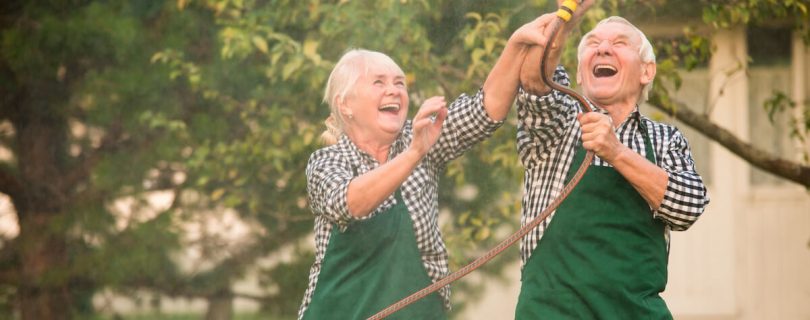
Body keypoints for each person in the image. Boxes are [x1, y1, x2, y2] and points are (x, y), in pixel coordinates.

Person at [297, 15, 557, 320]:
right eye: (378, 82)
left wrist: (515, 45)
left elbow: (485, 110)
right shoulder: (327, 161)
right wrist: (415, 152)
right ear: (345, 105)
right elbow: (351, 202)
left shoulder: (420, 134)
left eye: (399, 83)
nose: (394, 90)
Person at [513, 3, 711, 319]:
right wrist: (567, 18)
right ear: (579, 72)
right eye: (592, 43)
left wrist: (615, 151)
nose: (603, 48)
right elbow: (535, 82)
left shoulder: (665, 140)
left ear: (647, 71)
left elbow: (688, 208)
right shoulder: (558, 124)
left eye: (619, 44)